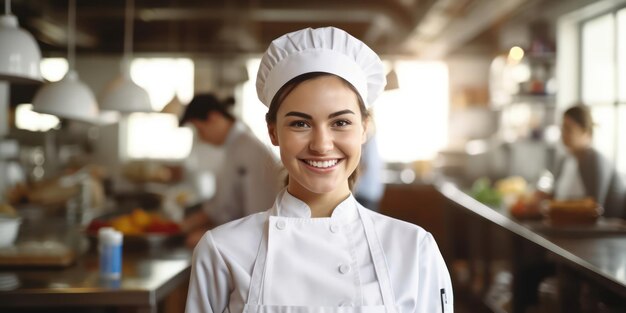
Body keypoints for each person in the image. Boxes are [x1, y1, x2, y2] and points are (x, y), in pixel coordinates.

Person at [185, 27, 453, 313]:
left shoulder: (413, 250)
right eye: (300, 123)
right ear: (273, 132)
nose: (322, 145)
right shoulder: (221, 250)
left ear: (364, 128)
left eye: (340, 123)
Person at [179, 93, 282, 248]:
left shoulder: (246, 147)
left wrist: (209, 234)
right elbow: (223, 205)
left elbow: (254, 213)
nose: (201, 137)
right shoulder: (236, 145)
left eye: (200, 129)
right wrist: (183, 226)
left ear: (214, 117)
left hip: (255, 241)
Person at [551, 104, 625, 218]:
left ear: (586, 132)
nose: (563, 135)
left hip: (603, 229)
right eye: (562, 129)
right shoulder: (565, 159)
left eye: (568, 129)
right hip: (569, 225)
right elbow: (555, 196)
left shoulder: (596, 161)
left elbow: (594, 207)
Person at [354, 116, 385, 211]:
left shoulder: (368, 138)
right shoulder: (372, 139)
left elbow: (366, 165)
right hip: (372, 191)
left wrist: (353, 184)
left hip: (364, 192)